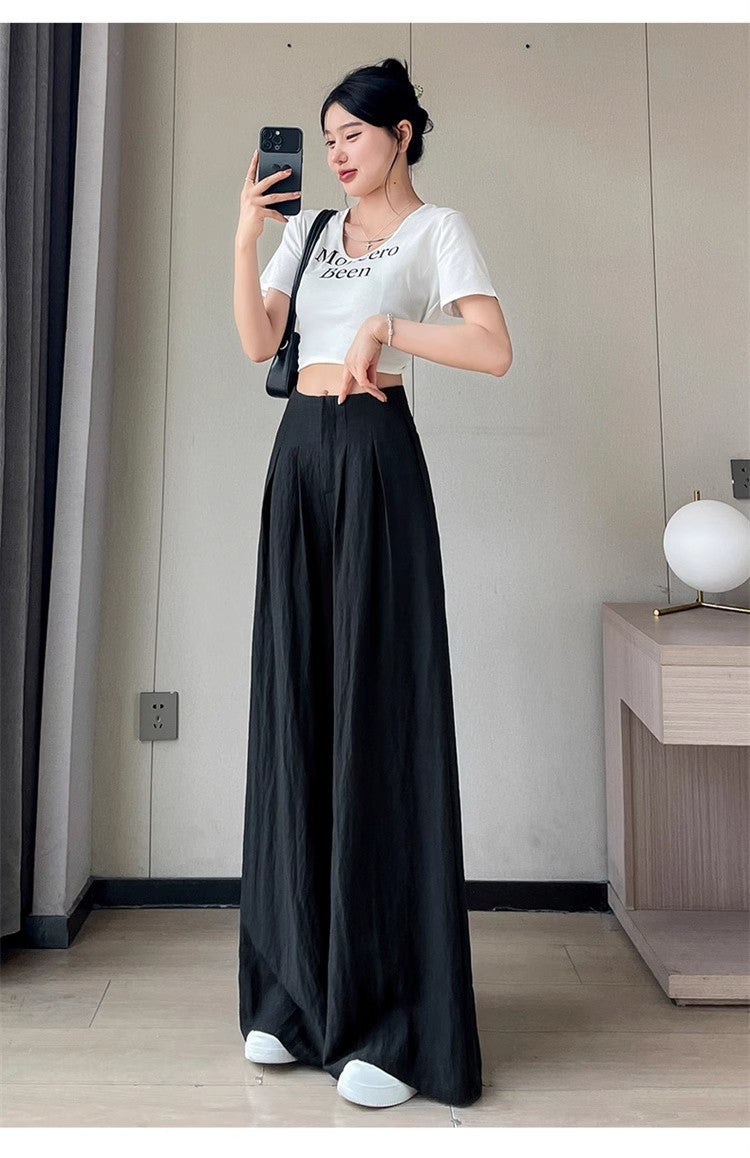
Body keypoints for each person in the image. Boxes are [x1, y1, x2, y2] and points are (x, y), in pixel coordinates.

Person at [233, 57, 512, 1111]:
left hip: (377, 453)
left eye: (354, 133)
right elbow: (260, 342)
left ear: (401, 135)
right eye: (328, 138)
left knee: (377, 714)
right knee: (296, 706)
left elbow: (492, 348)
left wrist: (390, 328)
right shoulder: (308, 232)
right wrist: (247, 238)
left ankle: (391, 1020)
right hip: (300, 456)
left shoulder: (437, 230)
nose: (338, 152)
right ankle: (296, 994)